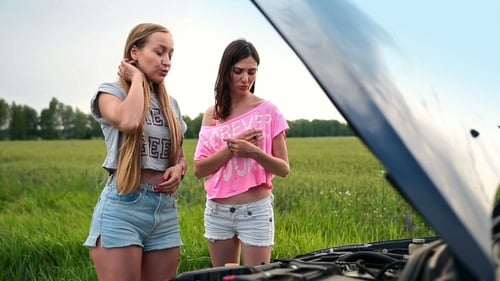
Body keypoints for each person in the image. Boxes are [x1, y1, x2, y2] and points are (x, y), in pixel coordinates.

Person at [83, 23, 188, 281]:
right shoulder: (111, 92)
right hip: (123, 207)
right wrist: (138, 79)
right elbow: (129, 122)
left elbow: (179, 156)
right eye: (159, 52)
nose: (166, 62)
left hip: (164, 210)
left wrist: (179, 169)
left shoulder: (170, 103)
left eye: (170, 55)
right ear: (135, 52)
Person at [193, 39, 290, 267]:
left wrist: (253, 152)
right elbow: (199, 170)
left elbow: (284, 169)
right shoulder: (213, 114)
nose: (245, 79)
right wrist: (231, 149)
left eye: (251, 72)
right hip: (217, 211)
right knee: (224, 277)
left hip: (255, 212)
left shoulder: (269, 111)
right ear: (226, 71)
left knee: (256, 277)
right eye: (238, 71)